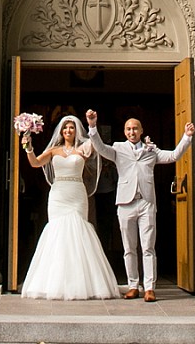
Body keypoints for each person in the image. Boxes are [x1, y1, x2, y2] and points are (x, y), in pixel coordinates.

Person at [83, 108, 194, 302]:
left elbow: (173, 156)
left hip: (146, 203)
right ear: (124, 132)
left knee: (148, 247)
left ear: (141, 131)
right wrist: (92, 126)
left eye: (135, 128)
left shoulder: (151, 150)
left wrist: (186, 137)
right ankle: (133, 285)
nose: (131, 132)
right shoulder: (118, 148)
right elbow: (100, 148)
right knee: (129, 247)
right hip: (125, 202)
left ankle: (149, 287)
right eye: (128, 129)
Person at [18, 114, 122, 300]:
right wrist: (27, 146)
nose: (68, 131)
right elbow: (35, 163)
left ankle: (82, 283)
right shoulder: (54, 150)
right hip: (58, 194)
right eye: (65, 128)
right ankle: (55, 282)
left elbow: (99, 144)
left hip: (77, 193)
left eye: (72, 128)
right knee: (57, 232)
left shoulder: (84, 147)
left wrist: (92, 125)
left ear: (76, 130)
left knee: (79, 232)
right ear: (61, 131)